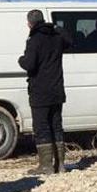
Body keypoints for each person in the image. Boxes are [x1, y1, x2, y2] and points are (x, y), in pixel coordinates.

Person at [18, 10, 72, 175]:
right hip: (57, 90)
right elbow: (70, 41)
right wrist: (56, 26)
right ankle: (61, 165)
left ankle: (46, 166)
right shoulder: (56, 37)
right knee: (56, 126)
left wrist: (20, 60)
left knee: (41, 127)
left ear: (29, 23)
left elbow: (29, 64)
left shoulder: (34, 40)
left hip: (40, 92)